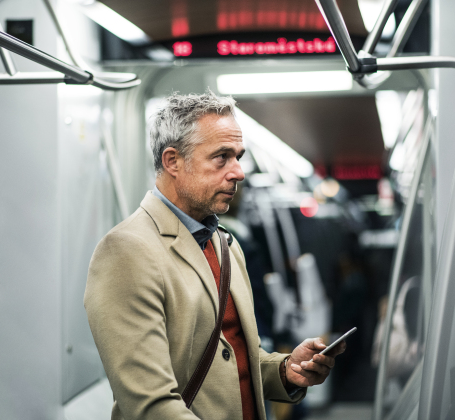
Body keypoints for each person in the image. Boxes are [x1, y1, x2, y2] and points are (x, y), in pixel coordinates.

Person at [84, 91, 346, 420]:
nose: (238, 172)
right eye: (221, 157)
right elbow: (150, 405)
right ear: (172, 161)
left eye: (238, 156)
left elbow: (231, 361)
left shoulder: (225, 246)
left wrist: (283, 370)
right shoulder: (127, 251)